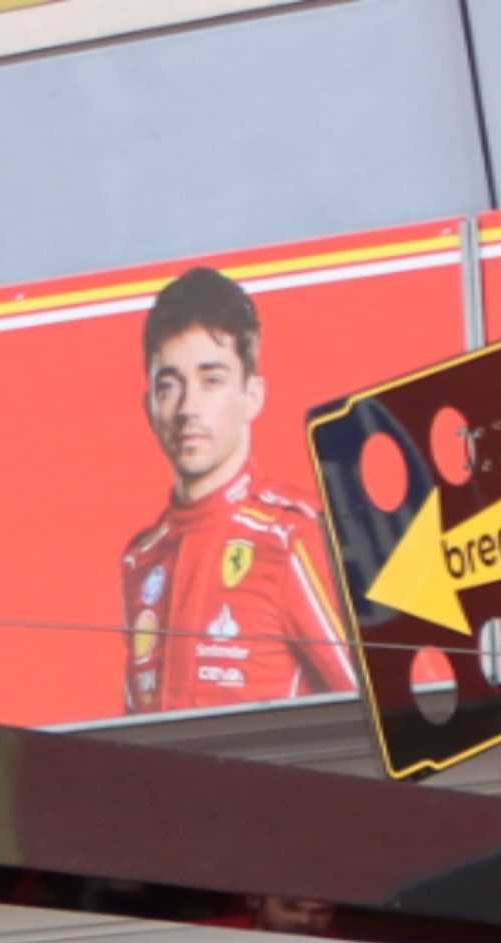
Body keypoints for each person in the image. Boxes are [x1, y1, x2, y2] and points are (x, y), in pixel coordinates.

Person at [123, 265, 356, 715]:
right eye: (169, 386)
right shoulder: (140, 561)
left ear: (252, 395)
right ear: (149, 405)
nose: (189, 408)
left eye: (212, 381)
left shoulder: (293, 537)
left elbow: (397, 721)